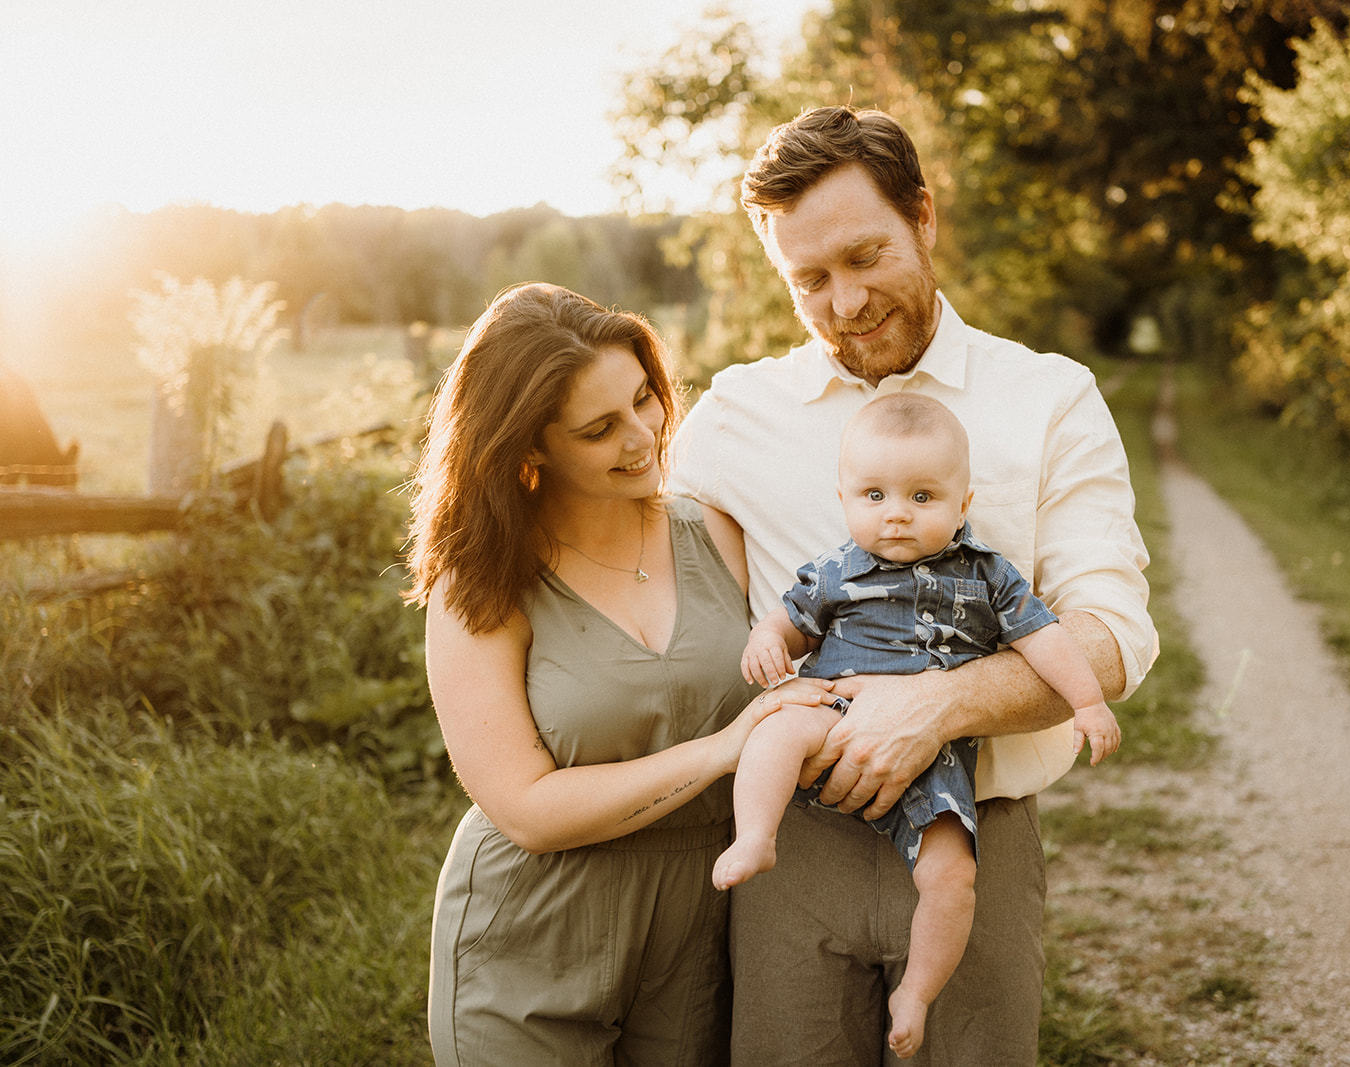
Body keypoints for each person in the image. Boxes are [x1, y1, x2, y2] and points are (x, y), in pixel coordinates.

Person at [668, 106, 1159, 1065]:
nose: (844, 302)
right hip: (789, 852)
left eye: (866, 257)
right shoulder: (733, 417)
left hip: (973, 837)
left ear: (923, 217)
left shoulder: (1050, 398)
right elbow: (642, 577)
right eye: (809, 279)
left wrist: (937, 705)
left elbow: (1113, 632)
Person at [403, 282, 832, 1066]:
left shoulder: (719, 534)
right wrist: (721, 749)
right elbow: (525, 808)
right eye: (600, 428)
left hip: (699, 933)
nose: (645, 437)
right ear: (529, 446)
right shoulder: (481, 583)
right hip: (532, 937)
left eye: (644, 399)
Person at [715, 393, 1121, 1058]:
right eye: (873, 494)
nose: (896, 512)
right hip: (835, 719)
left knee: (953, 876)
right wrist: (766, 642)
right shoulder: (837, 570)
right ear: (844, 498)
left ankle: (919, 992)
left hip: (937, 760)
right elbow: (787, 623)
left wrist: (1089, 701)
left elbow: (1047, 640)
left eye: (922, 496)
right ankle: (756, 834)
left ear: (964, 503)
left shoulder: (989, 575)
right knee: (775, 730)